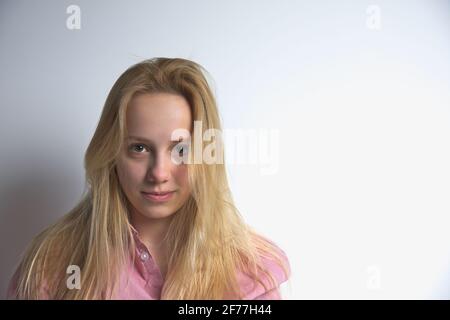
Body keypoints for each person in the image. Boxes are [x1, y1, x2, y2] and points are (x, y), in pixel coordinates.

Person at [7, 57, 290, 299]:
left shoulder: (252, 271)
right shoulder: (53, 265)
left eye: (181, 149)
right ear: (111, 153)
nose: (159, 173)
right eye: (139, 148)